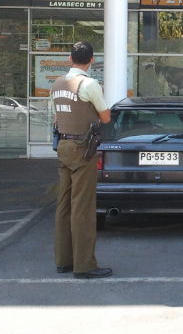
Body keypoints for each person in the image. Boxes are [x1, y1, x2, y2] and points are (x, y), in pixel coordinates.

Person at [50, 41, 112, 279]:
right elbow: (105, 117)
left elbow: (57, 117)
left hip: (63, 146)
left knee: (63, 204)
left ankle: (63, 260)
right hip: (83, 148)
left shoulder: (56, 85)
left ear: (69, 58)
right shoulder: (89, 84)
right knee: (83, 207)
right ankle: (84, 265)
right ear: (91, 60)